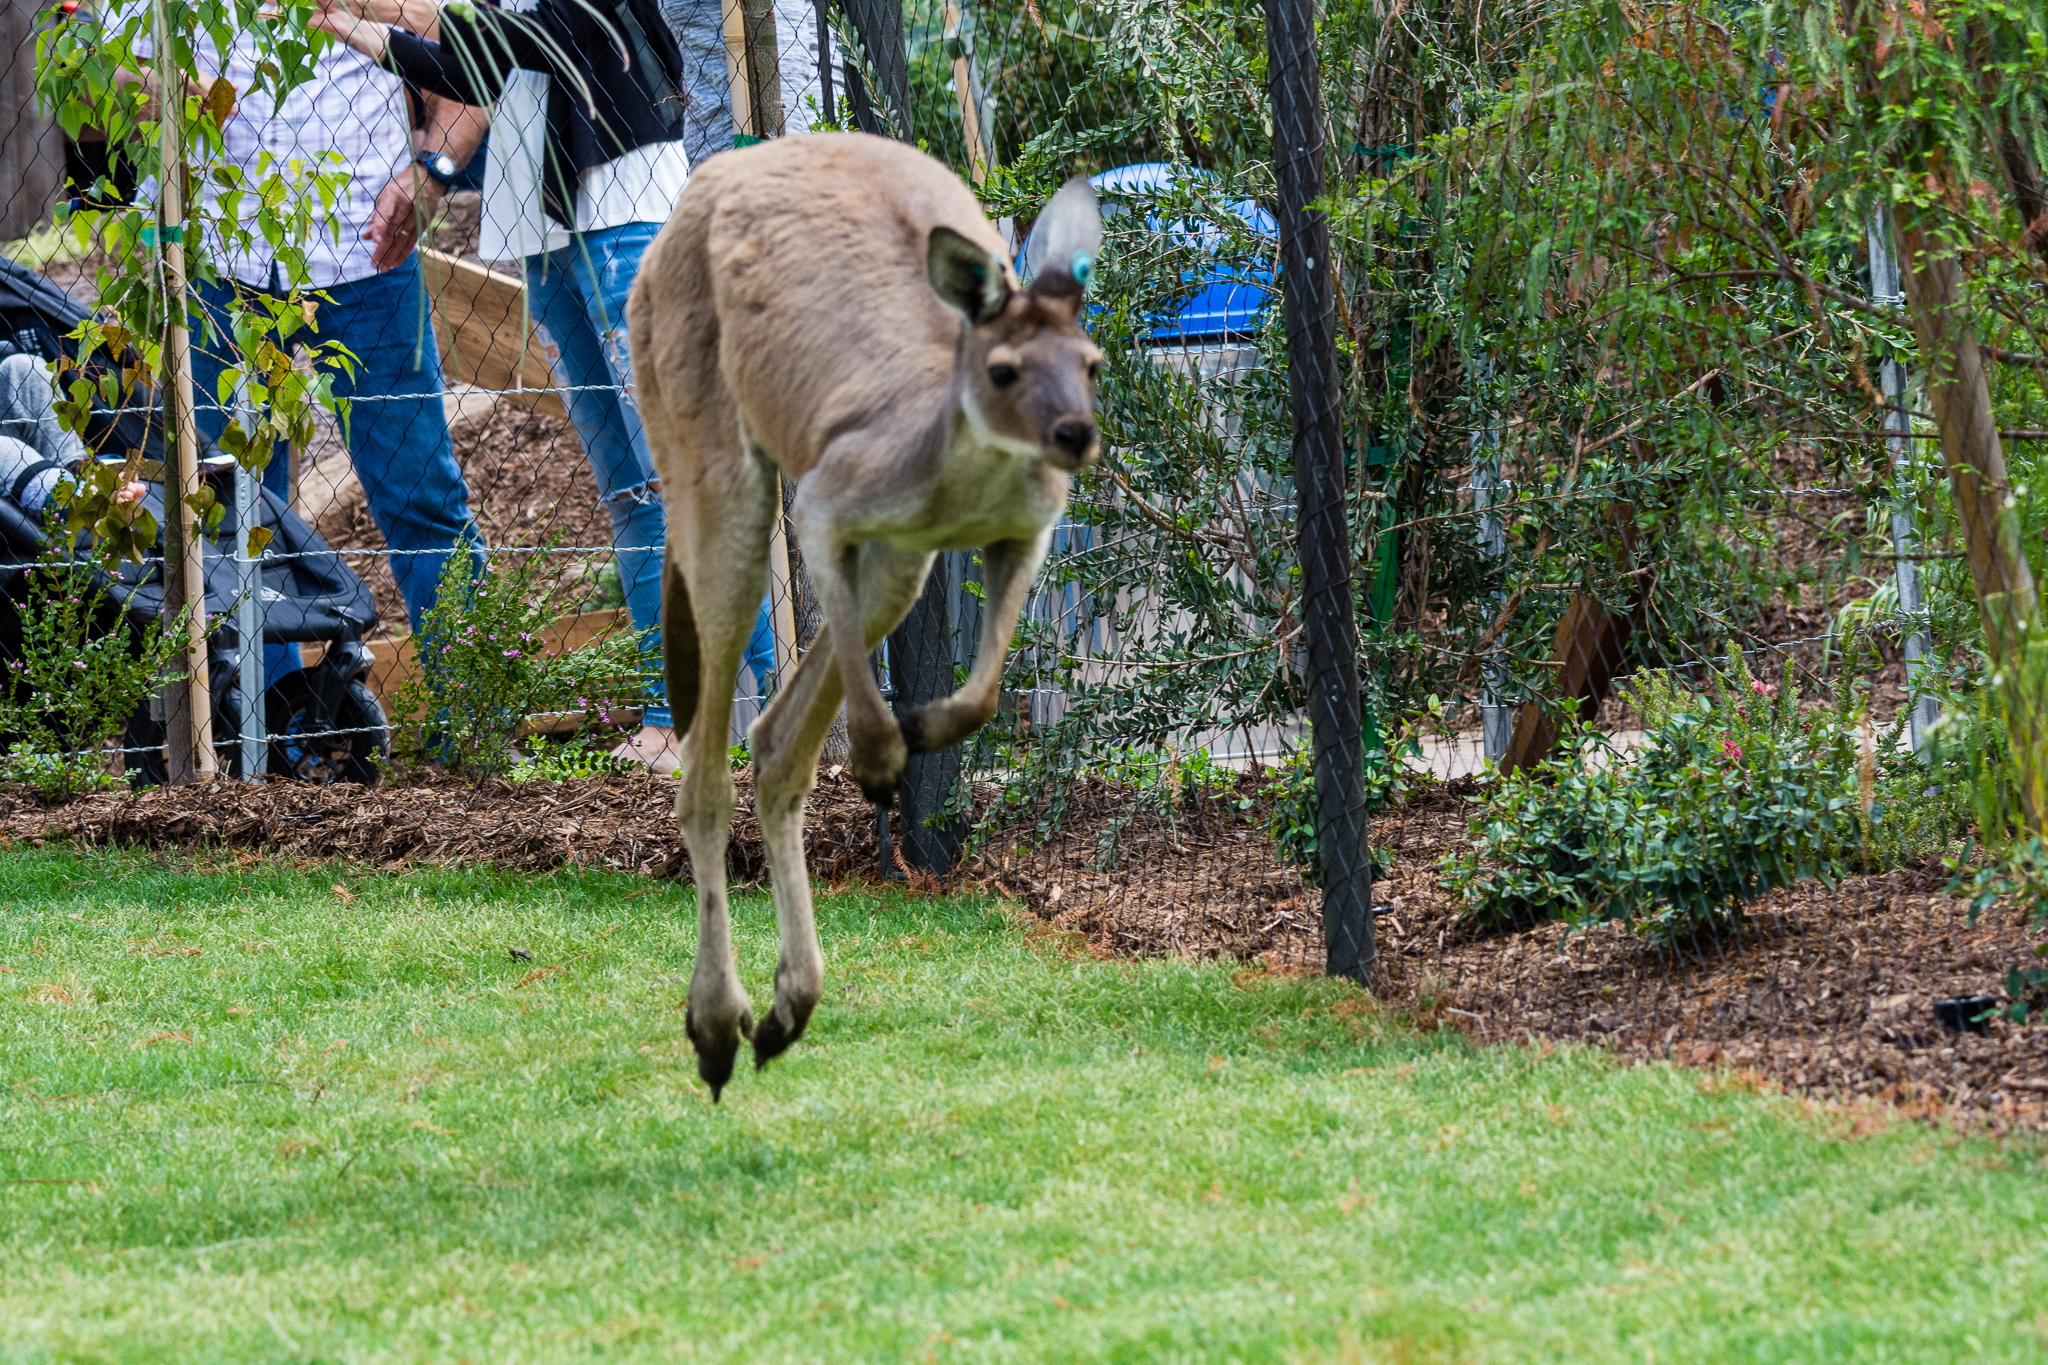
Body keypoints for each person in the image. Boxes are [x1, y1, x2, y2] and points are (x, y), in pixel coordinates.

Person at [314, 0, 709, 770]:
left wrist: (366, 7)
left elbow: (538, 35)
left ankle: (705, 718)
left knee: (677, 484)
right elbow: (487, 64)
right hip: (546, 226)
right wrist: (362, 32)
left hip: (624, 210)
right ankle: (672, 718)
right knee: (631, 497)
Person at [132, 20, 487, 691]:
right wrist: (145, 89)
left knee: (421, 494)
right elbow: (109, 70)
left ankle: (472, 719)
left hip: (369, 249)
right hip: (218, 260)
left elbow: (471, 68)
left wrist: (432, 172)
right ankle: (266, 728)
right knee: (225, 506)